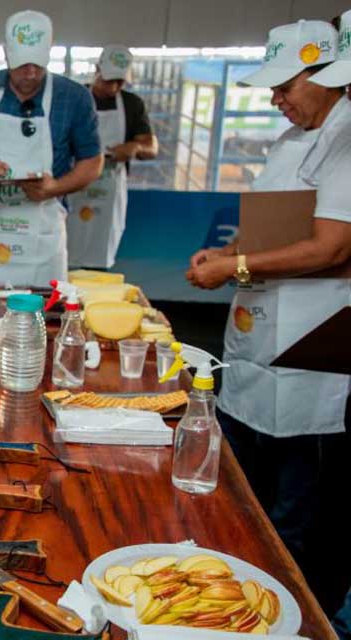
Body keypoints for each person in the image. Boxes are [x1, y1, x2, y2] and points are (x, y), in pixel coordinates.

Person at [186, 18, 351, 566]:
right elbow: (275, 236)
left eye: (286, 85)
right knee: (241, 487)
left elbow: (330, 247)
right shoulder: (291, 139)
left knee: (292, 511)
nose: (276, 98)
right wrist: (231, 260)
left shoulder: (346, 139)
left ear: (328, 72)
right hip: (259, 338)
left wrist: (235, 265)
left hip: (311, 345)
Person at [0, 10, 102, 287]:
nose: (30, 73)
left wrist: (54, 188)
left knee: (44, 317)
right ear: (6, 53)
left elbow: (92, 161)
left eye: (37, 64)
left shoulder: (74, 97)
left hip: (41, 239)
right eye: (21, 65)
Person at [66, 45, 159, 269]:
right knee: (67, 249)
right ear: (97, 70)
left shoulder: (131, 104)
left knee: (101, 250)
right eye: (109, 80)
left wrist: (134, 147)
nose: (114, 87)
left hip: (109, 190)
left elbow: (151, 147)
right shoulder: (75, 99)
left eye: (120, 82)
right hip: (73, 185)